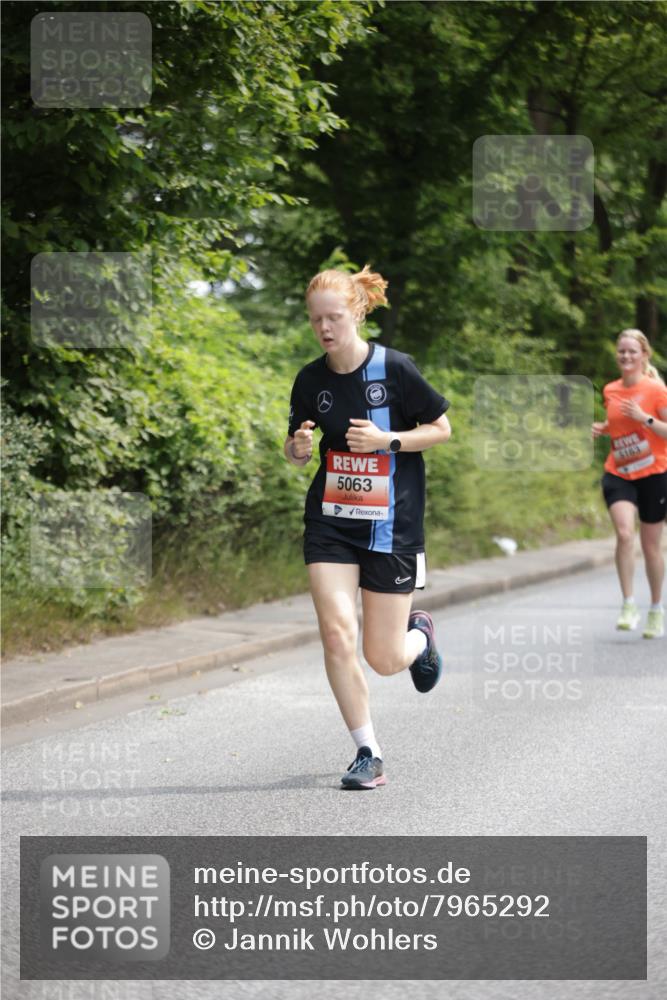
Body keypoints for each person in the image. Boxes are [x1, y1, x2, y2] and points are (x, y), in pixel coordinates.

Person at [284, 265, 451, 789]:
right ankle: (367, 751)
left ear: (356, 312)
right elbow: (294, 446)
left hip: (391, 526)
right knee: (337, 633)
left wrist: (388, 441)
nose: (325, 328)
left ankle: (420, 638)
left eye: (334, 317)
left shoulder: (395, 369)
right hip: (331, 522)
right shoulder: (310, 379)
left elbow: (441, 429)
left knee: (383, 658)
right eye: (316, 321)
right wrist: (298, 448)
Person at [592, 328, 667, 638]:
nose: (626, 356)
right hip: (619, 472)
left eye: (632, 352)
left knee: (650, 547)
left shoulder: (656, 391)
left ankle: (655, 608)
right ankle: (628, 603)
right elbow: (618, 425)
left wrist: (644, 418)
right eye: (621, 351)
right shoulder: (610, 389)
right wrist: (603, 428)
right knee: (624, 534)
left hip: (654, 473)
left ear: (643, 356)